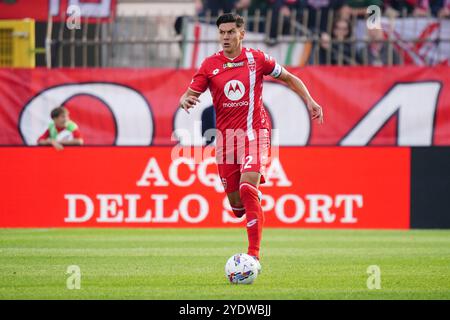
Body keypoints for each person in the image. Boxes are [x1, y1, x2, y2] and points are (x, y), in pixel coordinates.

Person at [179, 13, 323, 270]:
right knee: (237, 207)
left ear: (241, 34)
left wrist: (310, 101)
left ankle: (253, 256)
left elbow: (290, 77)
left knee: (247, 189)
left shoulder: (257, 59)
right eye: (222, 32)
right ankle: (251, 202)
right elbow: (190, 93)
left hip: (255, 133)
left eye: (230, 32)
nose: (225, 37)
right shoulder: (210, 65)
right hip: (226, 141)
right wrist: (185, 99)